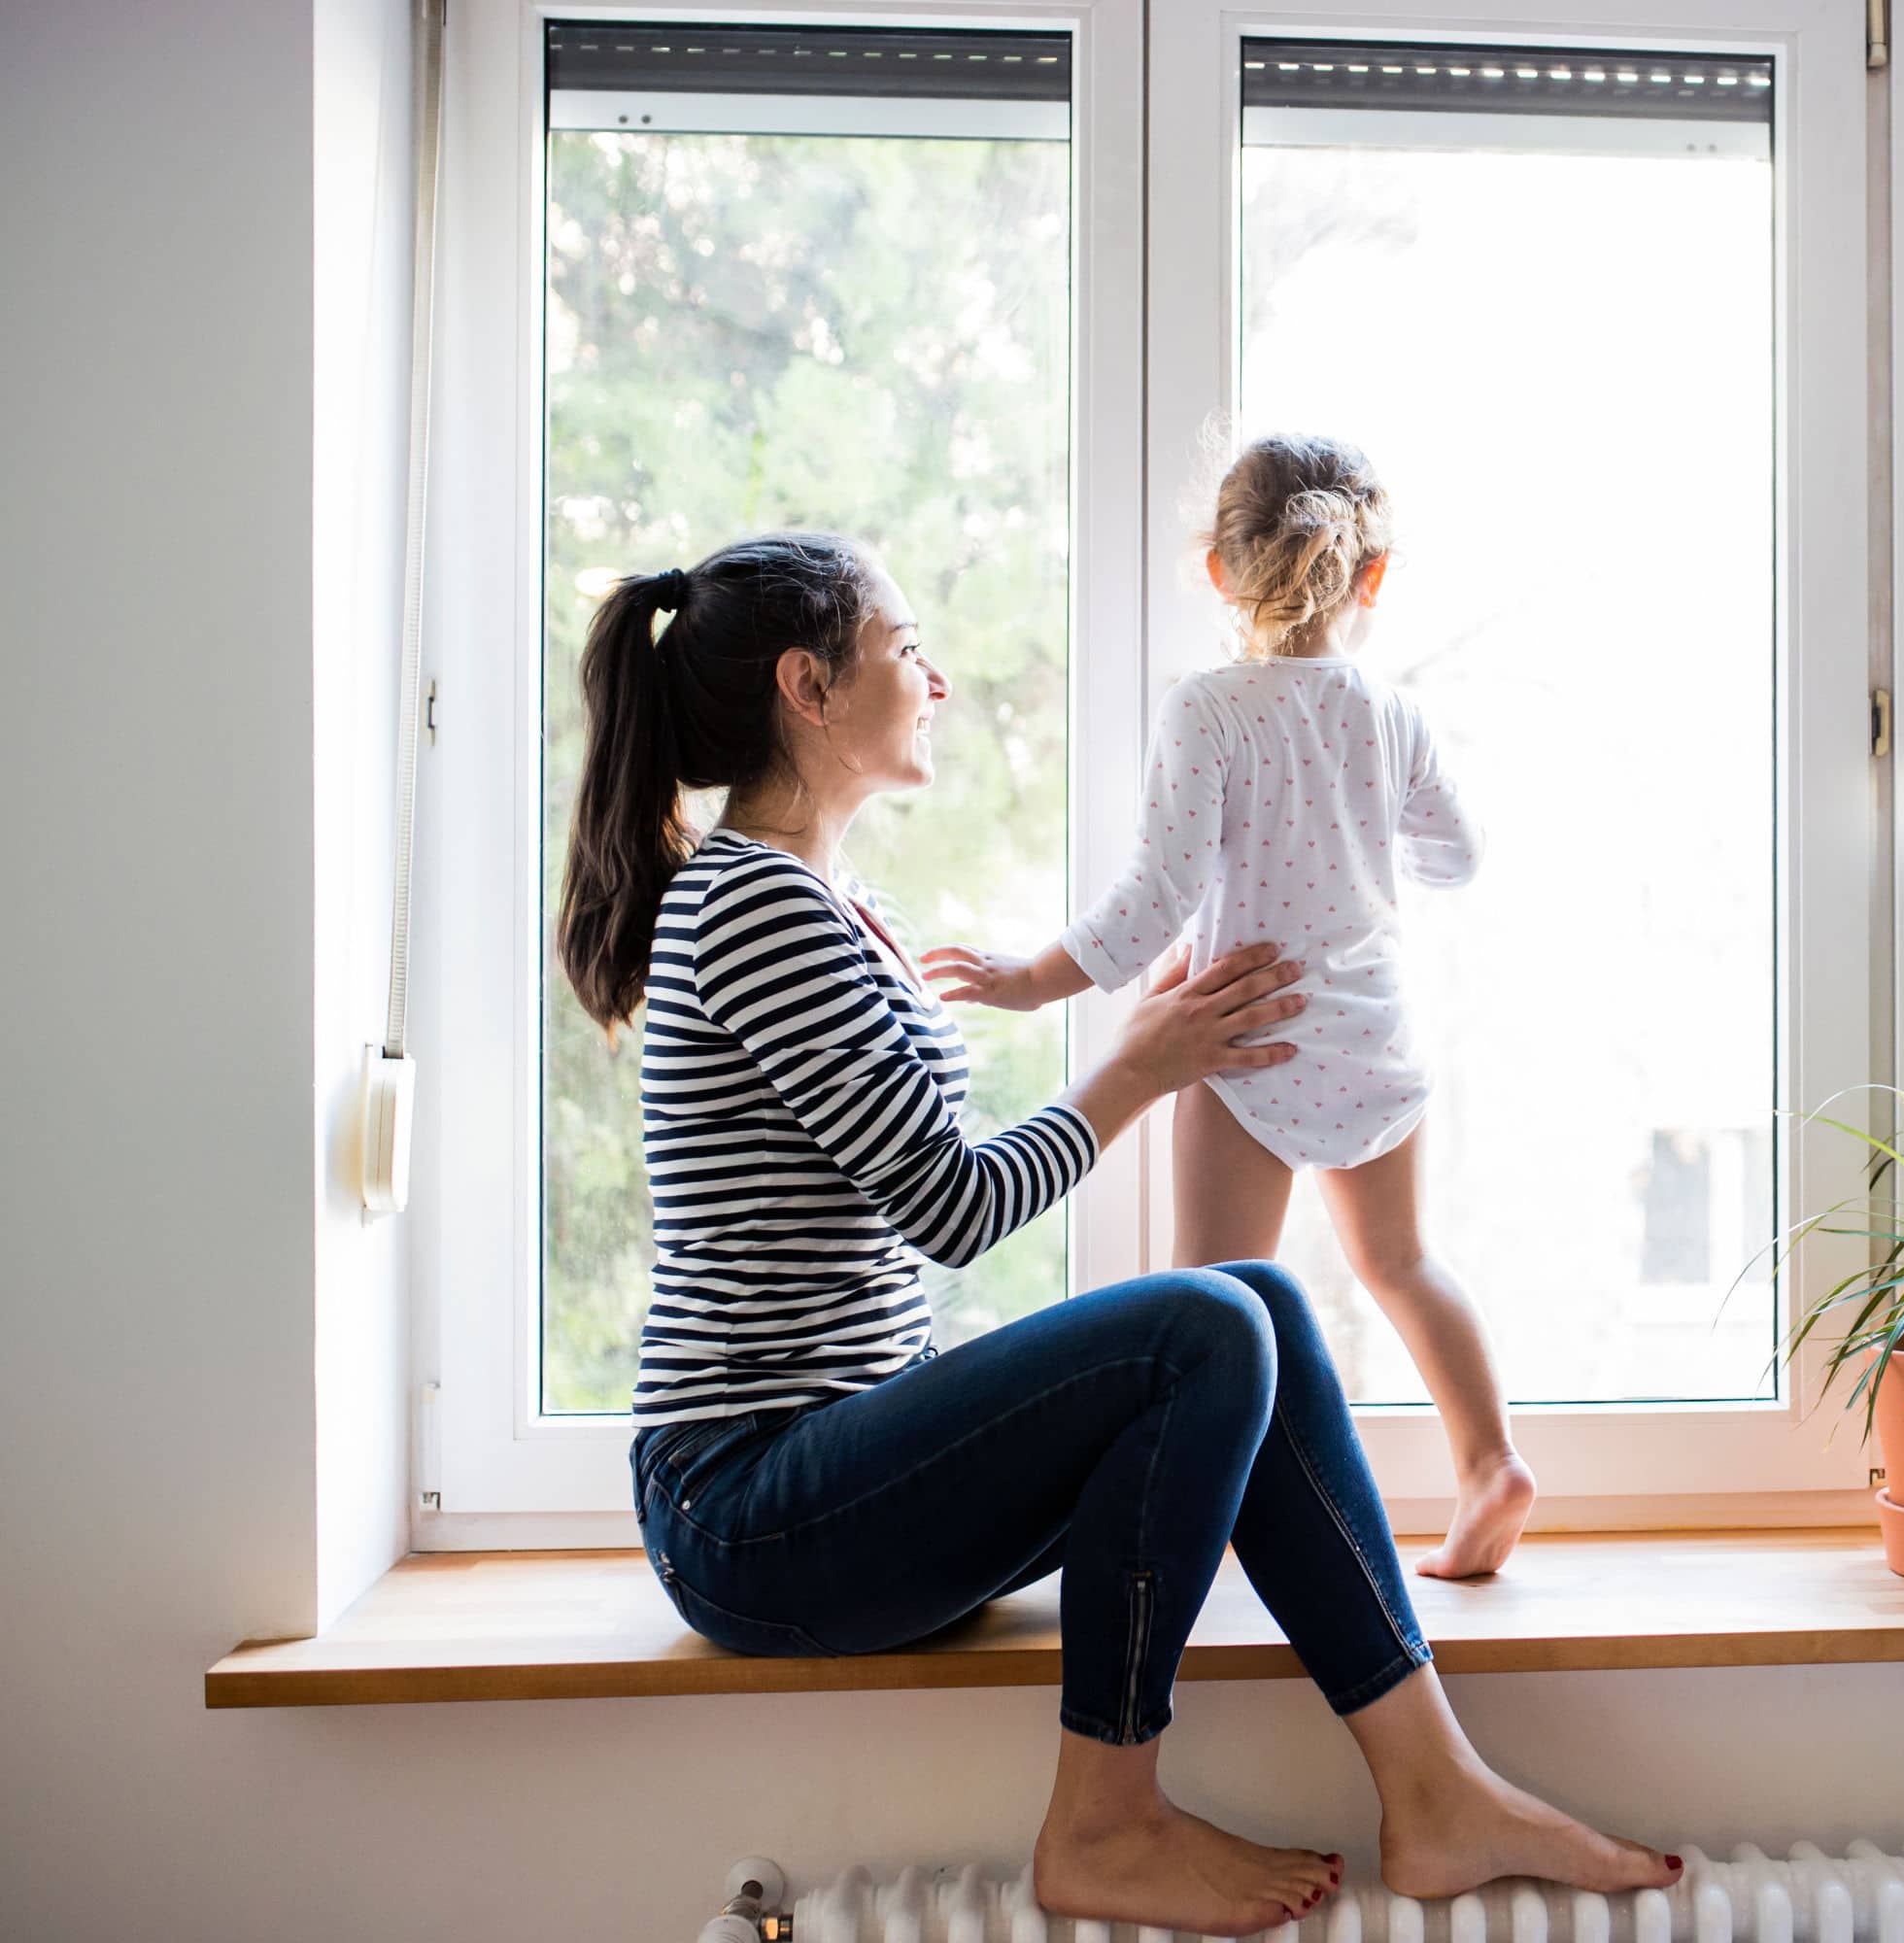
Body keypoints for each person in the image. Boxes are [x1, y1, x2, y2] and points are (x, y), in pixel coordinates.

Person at [553, 531, 1678, 1936]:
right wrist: (1138, 1067)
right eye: (907, 649)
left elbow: (909, 1173)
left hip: (834, 1467)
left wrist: (1137, 1047)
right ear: (810, 687)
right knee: (1204, 1322)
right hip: (748, 1510)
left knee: (1254, 1299)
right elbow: (951, 1205)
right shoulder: (758, 907)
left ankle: (1435, 1787)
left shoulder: (831, 907)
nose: (938, 677)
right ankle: (1104, 1819)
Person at [930, 436, 1534, 1579]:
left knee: (1208, 1307)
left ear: (1217, 570)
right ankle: (1490, 1460)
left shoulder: (1206, 711)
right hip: (1371, 1035)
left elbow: (1153, 900)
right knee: (1403, 1261)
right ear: (1374, 576)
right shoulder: (1389, 714)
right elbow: (1458, 854)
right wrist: (1359, 825)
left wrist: (1025, 978)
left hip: (1243, 1036)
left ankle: (1197, 1533)